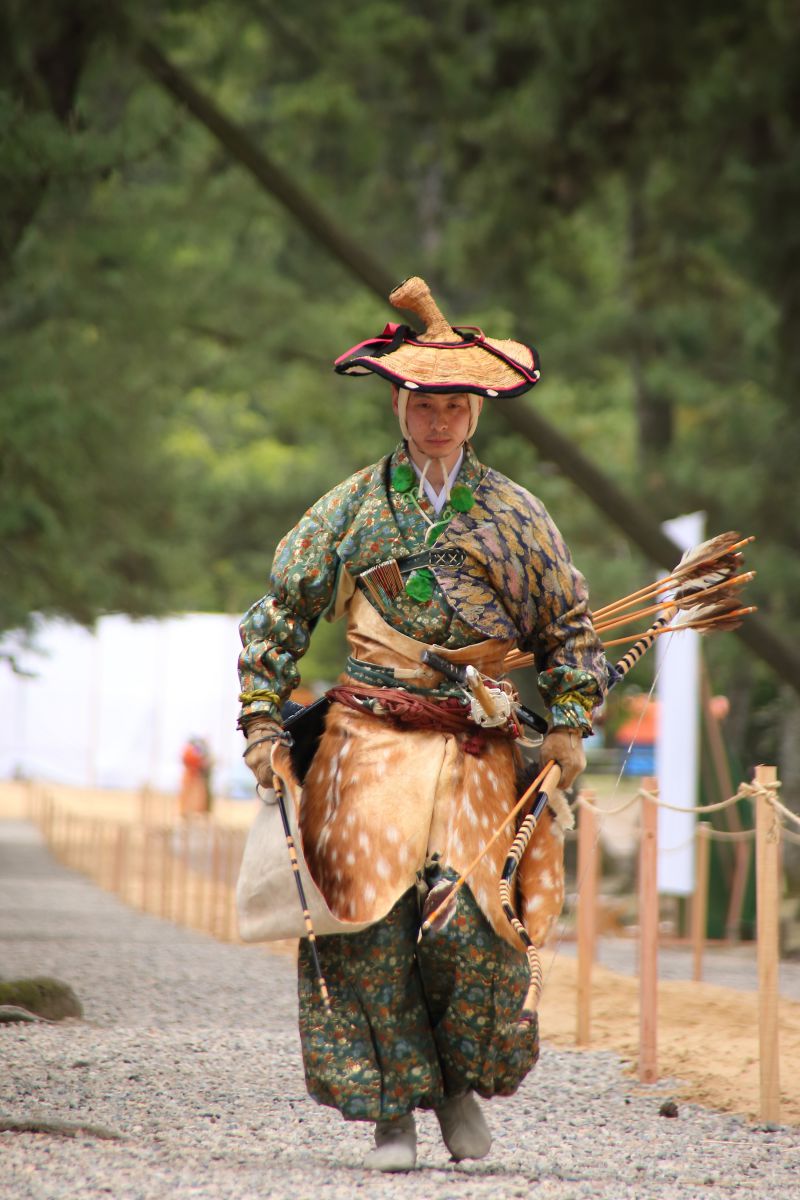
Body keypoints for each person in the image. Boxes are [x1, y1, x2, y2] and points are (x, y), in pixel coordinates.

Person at [237, 277, 607, 1171]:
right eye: (422, 405)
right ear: (400, 407)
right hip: (367, 736)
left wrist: (567, 723)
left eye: (453, 407)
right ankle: (393, 1108)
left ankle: (458, 1088)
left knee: (469, 923)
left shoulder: (518, 515)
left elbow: (567, 628)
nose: (437, 423)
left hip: (477, 738)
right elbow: (280, 611)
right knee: (365, 918)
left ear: (475, 415)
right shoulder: (355, 506)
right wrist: (259, 715)